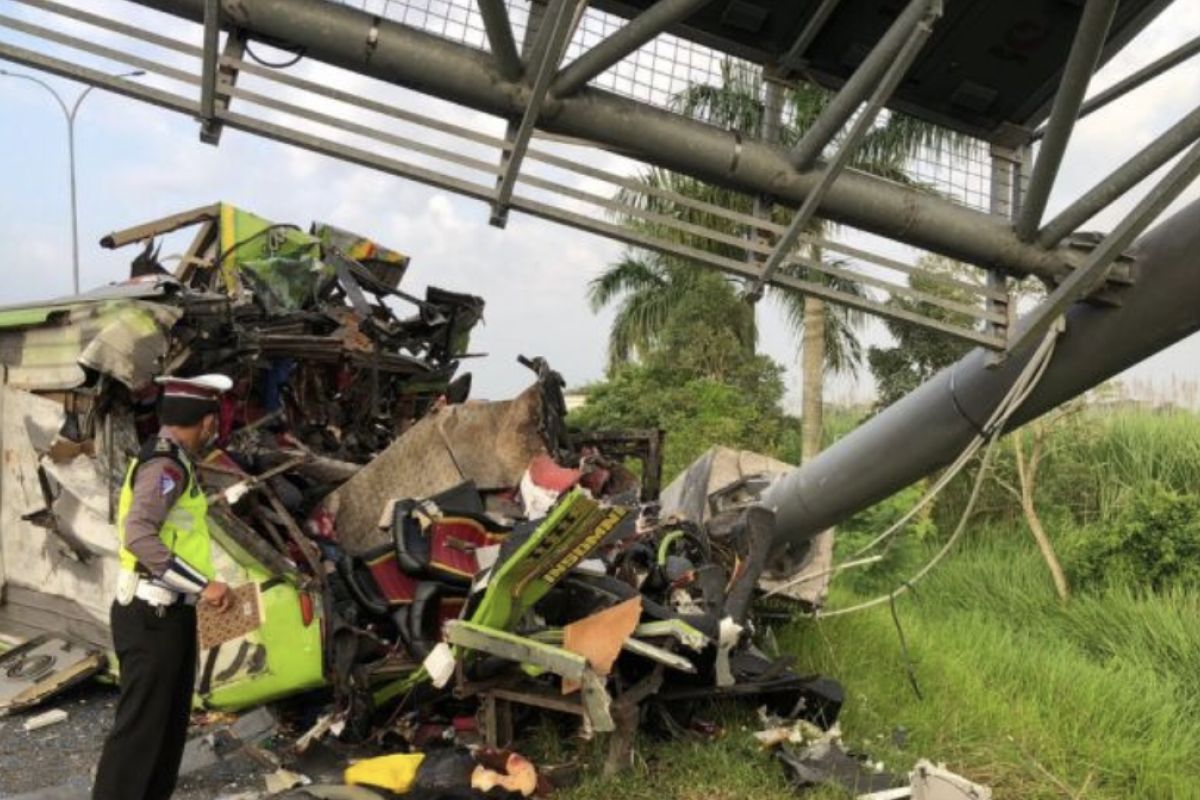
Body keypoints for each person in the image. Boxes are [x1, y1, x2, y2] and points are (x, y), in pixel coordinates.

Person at [93, 374, 235, 800]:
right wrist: (203, 585)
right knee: (139, 737)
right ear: (206, 420)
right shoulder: (165, 465)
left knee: (165, 733)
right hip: (151, 615)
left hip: (167, 614)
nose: (214, 428)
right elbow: (139, 535)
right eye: (213, 418)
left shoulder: (173, 460)